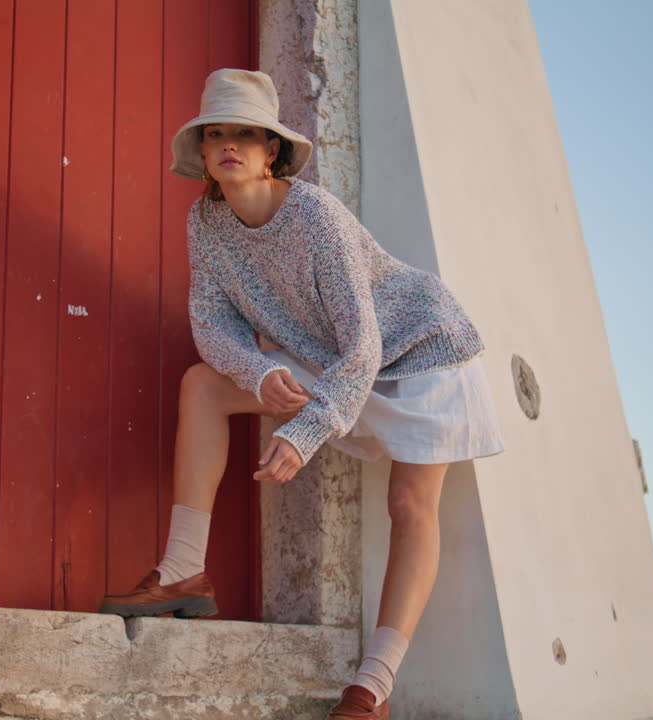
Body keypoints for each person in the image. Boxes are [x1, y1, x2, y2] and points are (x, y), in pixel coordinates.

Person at [98, 68, 505, 720]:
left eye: (248, 134)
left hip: (422, 351)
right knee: (203, 386)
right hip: (333, 362)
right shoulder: (205, 223)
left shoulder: (315, 216)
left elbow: (366, 344)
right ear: (202, 154)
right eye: (217, 134)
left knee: (411, 504)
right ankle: (182, 570)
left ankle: (371, 689)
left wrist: (308, 429)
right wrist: (258, 376)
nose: (231, 144)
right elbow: (212, 324)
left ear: (272, 151)